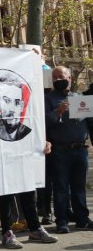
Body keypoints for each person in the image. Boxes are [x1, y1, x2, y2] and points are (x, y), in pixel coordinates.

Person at [45, 66, 93, 233]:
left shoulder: (79, 98)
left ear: (70, 78)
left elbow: (89, 123)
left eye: (61, 76)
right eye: (55, 77)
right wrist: (57, 112)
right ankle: (62, 220)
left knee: (79, 187)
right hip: (60, 151)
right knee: (61, 188)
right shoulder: (48, 99)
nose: (58, 79)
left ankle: (82, 219)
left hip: (80, 150)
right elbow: (43, 124)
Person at [0, 143, 59, 248]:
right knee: (6, 194)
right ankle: (6, 233)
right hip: (4, 155)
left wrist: (43, 141)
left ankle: (35, 230)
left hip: (25, 155)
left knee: (29, 192)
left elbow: (36, 129)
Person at [0, 72, 32, 141]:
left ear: (21, 106)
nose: (12, 109)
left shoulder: (30, 134)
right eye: (7, 101)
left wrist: (44, 144)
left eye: (17, 102)